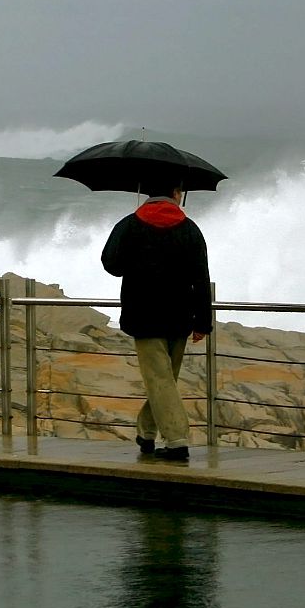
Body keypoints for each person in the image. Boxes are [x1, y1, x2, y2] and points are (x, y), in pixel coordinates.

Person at [101, 180, 212, 462]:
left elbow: (111, 264)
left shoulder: (129, 224)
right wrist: (203, 322)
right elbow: (201, 278)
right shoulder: (190, 229)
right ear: (176, 194)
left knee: (160, 380)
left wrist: (136, 259)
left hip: (144, 314)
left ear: (148, 194)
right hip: (179, 315)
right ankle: (148, 433)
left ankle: (176, 441)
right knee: (165, 380)